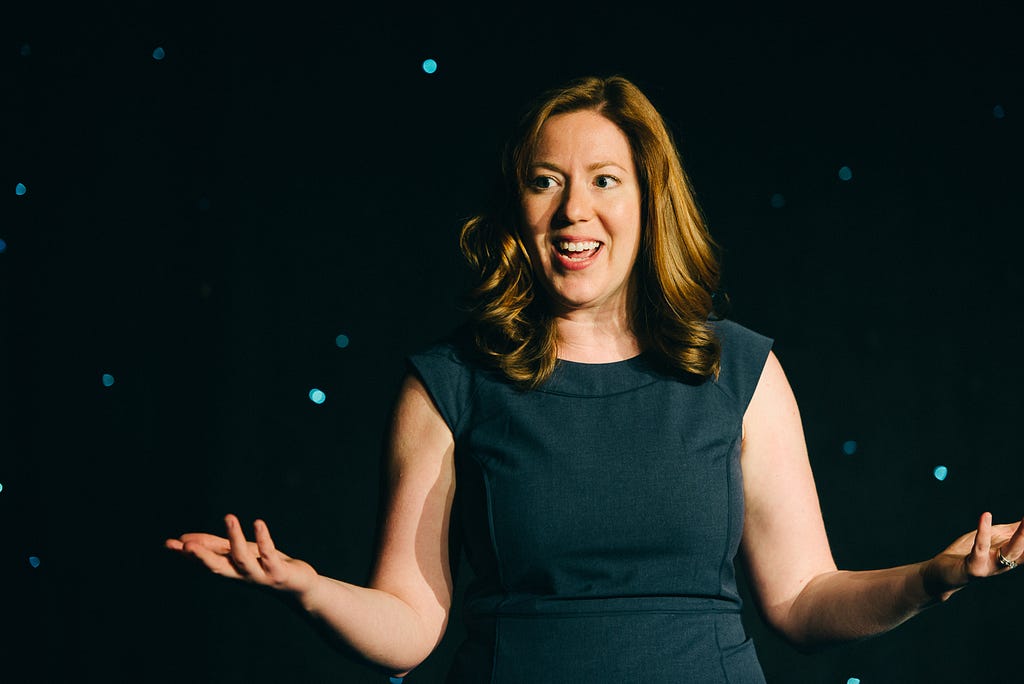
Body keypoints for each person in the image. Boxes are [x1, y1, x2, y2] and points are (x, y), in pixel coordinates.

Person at [166, 75, 1024, 682]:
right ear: (520, 211)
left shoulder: (739, 371)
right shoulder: (451, 381)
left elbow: (804, 602)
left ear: (648, 203)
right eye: (547, 183)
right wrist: (307, 590)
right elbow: (412, 624)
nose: (574, 209)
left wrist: (933, 577)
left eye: (604, 181)